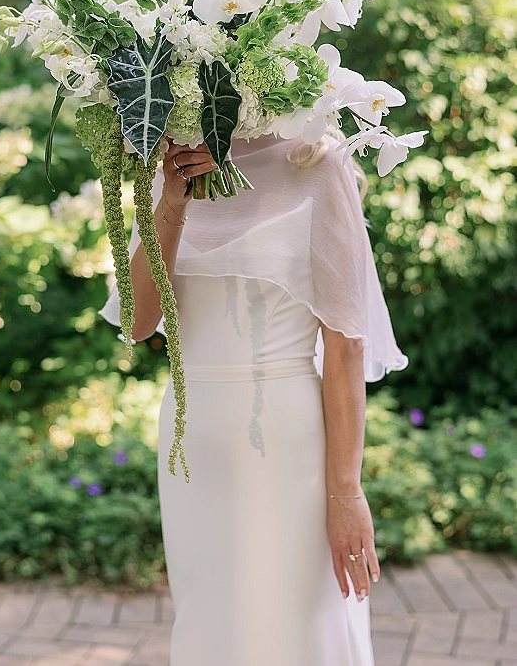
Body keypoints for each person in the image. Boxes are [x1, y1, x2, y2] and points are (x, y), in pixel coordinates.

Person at [100, 131, 408, 666]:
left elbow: (347, 344)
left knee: (297, 627)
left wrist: (344, 492)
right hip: (191, 445)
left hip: (285, 447)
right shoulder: (170, 160)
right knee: (213, 629)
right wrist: (170, 203)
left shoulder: (316, 161)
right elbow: (138, 321)